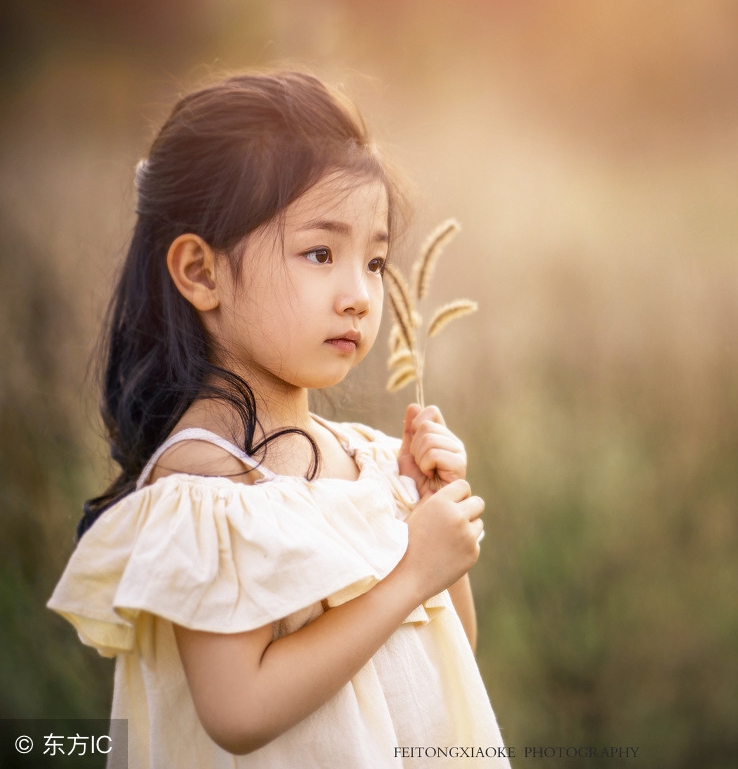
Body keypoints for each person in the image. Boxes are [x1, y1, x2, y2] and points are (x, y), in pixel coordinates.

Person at [46, 71, 509, 767]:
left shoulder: (369, 461)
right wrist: (413, 571)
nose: (358, 295)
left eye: (376, 261)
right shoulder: (208, 483)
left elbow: (443, 662)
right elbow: (238, 710)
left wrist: (430, 508)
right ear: (201, 272)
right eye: (321, 253)